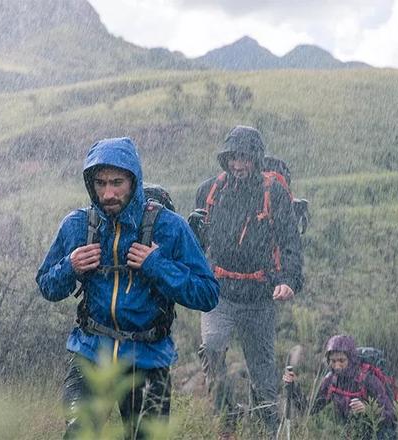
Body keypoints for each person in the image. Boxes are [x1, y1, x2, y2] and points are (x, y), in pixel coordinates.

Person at [36, 137, 219, 439]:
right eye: (100, 183)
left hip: (147, 357)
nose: (108, 193)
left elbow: (207, 294)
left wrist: (157, 264)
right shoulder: (77, 225)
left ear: (134, 181)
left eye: (117, 182)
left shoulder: (169, 227)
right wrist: (70, 266)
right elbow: (47, 285)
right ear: (90, 184)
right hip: (91, 354)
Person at [194, 126, 304, 439]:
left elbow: (289, 242)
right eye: (232, 158)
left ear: (255, 159)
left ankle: (269, 429)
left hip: (259, 297)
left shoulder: (274, 193)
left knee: (264, 375)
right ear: (225, 160)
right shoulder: (209, 191)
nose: (238, 165)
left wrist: (289, 280)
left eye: (244, 158)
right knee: (211, 347)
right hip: (220, 293)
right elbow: (197, 240)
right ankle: (227, 415)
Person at [282, 335, 397, 440]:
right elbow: (309, 408)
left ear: (351, 359)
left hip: (379, 435)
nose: (337, 366)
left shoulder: (368, 379)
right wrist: (293, 387)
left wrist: (368, 409)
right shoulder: (331, 381)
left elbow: (391, 414)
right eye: (333, 361)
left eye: (342, 360)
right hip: (352, 435)